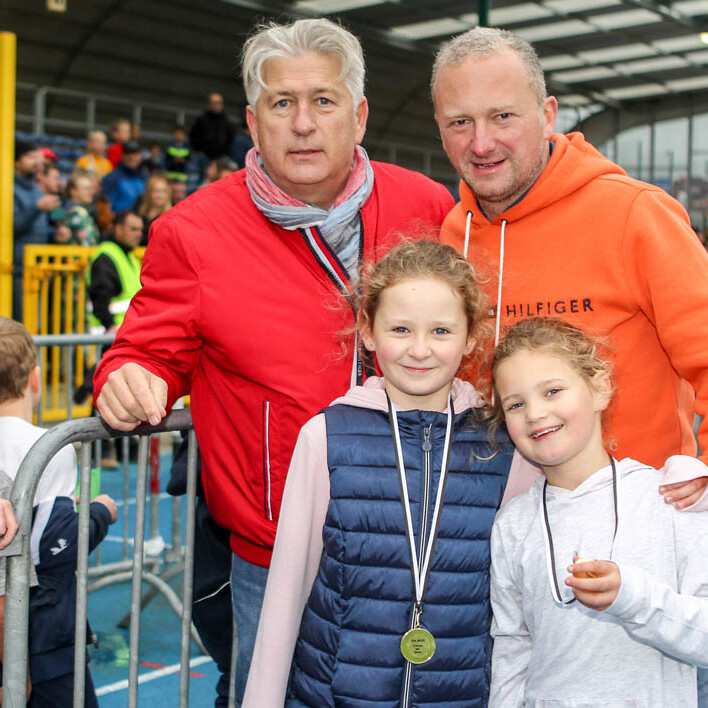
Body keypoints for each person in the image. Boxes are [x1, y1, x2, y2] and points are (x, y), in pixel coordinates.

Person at [91, 17, 454, 705]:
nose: (303, 123)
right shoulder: (195, 230)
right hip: (274, 550)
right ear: (253, 122)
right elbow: (145, 350)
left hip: (418, 535)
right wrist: (127, 378)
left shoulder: (427, 206)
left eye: (323, 101)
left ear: (359, 115)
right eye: (282, 103)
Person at [244, 240, 513, 707]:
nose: (419, 349)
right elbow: (287, 591)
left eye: (441, 331)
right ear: (368, 331)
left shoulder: (501, 446)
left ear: (471, 337)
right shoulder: (326, 437)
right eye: (401, 329)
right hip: (335, 695)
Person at [433, 27, 708, 473]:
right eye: (460, 122)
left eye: (503, 116)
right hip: (494, 507)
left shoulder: (635, 214)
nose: (481, 143)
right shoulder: (453, 237)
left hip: (630, 505)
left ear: (547, 116)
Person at [488, 317, 708, 707]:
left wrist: (633, 597)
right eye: (516, 404)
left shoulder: (671, 497)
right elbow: (512, 647)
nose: (535, 413)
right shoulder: (512, 523)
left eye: (553, 391)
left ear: (600, 388)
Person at [0, 316, 117, 707]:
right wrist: (99, 514)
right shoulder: (50, 446)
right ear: (35, 379)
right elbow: (54, 544)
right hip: (45, 633)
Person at [12, 141, 61, 321]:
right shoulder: (8, 188)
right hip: (17, 271)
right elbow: (10, 228)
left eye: (38, 158)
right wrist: (37, 208)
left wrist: (55, 235)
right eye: (31, 157)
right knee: (21, 325)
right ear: (17, 161)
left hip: (37, 271)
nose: (37, 162)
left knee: (37, 325)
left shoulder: (36, 189)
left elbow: (38, 230)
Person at [87, 210, 143, 335]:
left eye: (140, 230)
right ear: (118, 230)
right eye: (133, 229)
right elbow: (100, 297)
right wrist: (109, 326)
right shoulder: (106, 256)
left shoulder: (131, 258)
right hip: (110, 336)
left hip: (127, 333)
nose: (139, 234)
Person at [56, 169, 100, 247]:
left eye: (91, 188)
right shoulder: (70, 213)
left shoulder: (87, 211)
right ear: (73, 191)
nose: (91, 192)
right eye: (86, 189)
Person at [100, 140, 145, 213]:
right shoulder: (112, 178)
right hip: (118, 218)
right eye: (128, 153)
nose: (131, 157)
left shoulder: (144, 177)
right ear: (122, 156)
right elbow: (103, 206)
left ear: (140, 156)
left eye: (135, 153)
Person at [189, 93, 234, 161]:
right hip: (203, 157)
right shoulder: (201, 120)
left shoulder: (227, 122)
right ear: (209, 104)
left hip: (221, 158)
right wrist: (198, 151)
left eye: (219, 103)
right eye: (214, 103)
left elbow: (231, 139)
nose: (216, 105)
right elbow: (193, 136)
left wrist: (226, 154)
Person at [137, 174, 171, 245]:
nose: (160, 195)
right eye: (156, 191)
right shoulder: (139, 212)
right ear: (149, 193)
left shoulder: (169, 218)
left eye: (164, 191)